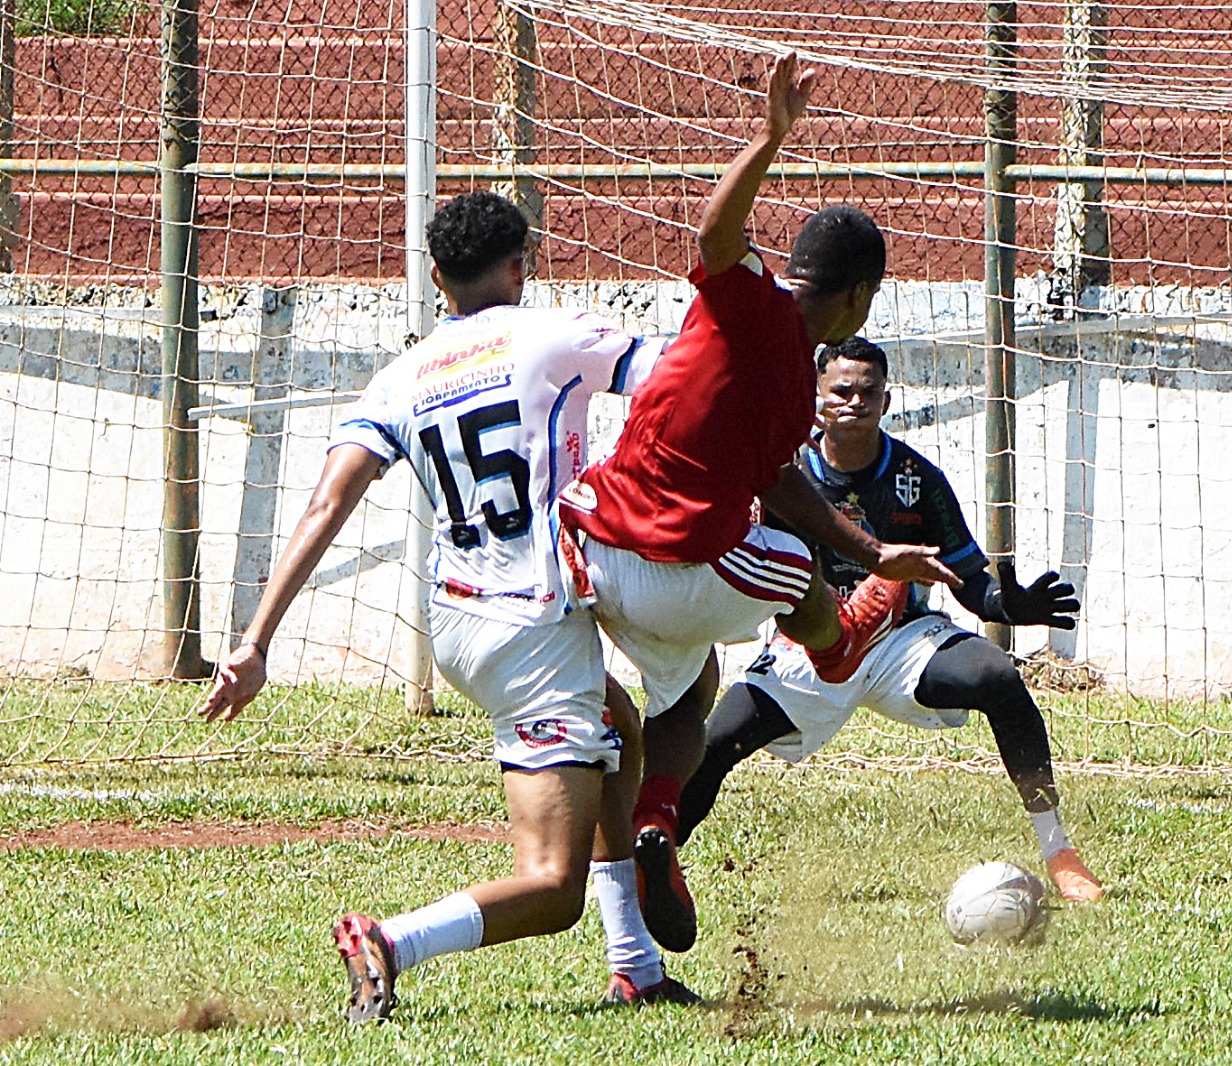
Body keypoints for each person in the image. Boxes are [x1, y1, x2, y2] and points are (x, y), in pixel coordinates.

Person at [199, 191, 698, 1021]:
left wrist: (255, 642)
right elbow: (679, 381)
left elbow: (328, 501)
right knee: (551, 886)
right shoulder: (554, 333)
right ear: (521, 264)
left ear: (436, 276)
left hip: (458, 624)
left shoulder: (404, 373)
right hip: (532, 625)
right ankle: (390, 941)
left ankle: (635, 969)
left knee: (624, 731)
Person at [557, 54, 958, 955]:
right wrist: (769, 139)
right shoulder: (757, 306)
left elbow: (782, 480)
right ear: (860, 296)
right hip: (673, 557)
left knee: (690, 685)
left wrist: (876, 547)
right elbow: (713, 234)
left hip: (596, 553)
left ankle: (659, 821)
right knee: (798, 572)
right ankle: (838, 637)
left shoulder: (788, 375)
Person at [675, 336, 1104, 903]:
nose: (855, 402)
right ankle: (647, 873)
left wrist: (1009, 606)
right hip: (809, 647)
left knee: (997, 678)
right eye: (842, 390)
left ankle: (1058, 849)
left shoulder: (915, 478)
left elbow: (968, 579)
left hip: (901, 640)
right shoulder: (782, 474)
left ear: (887, 400)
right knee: (714, 745)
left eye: (868, 392)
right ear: (817, 399)